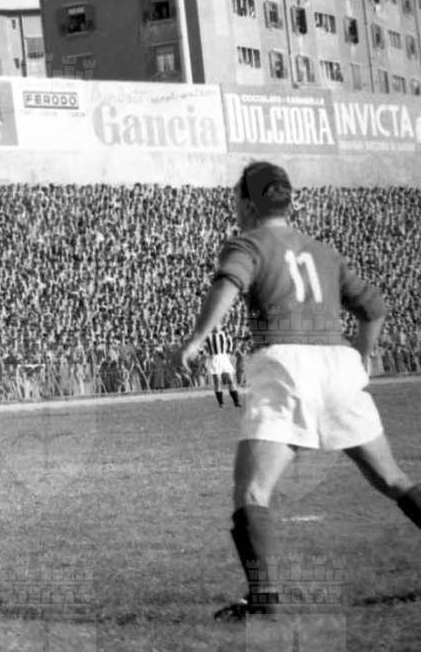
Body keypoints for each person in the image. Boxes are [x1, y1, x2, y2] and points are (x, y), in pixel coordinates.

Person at [177, 160, 421, 622]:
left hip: (287, 364)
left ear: (249, 204)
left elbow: (229, 283)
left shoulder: (249, 243)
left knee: (253, 491)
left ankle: (264, 600)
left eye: (237, 199)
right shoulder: (322, 252)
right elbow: (374, 309)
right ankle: (263, 600)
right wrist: (361, 357)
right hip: (338, 364)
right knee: (392, 479)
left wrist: (197, 337)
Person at [203, 319, 241, 409]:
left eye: (217, 325)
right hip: (214, 358)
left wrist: (229, 353)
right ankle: (221, 403)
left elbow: (230, 343)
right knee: (217, 380)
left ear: (220, 326)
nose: (216, 326)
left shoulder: (225, 334)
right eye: (214, 325)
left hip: (224, 357)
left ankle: (236, 402)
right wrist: (204, 353)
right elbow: (200, 346)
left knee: (231, 379)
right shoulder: (208, 336)